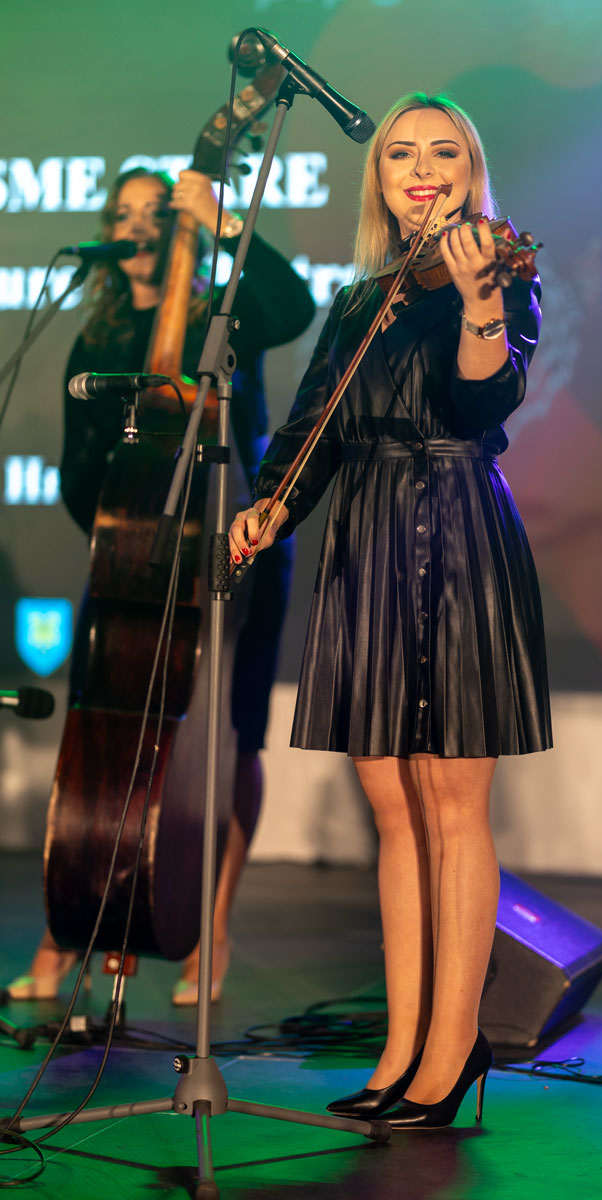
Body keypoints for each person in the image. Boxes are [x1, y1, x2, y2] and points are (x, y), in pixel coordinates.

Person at [228, 93, 552, 1129]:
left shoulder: (500, 274)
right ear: (379, 178)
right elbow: (312, 426)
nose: (420, 168)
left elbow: (481, 401)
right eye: (400, 153)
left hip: (456, 525)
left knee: (452, 806)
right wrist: (272, 506)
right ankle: (400, 1045)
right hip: (365, 538)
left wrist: (479, 299)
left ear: (469, 170)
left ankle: (452, 1050)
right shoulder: (358, 298)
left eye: (441, 152)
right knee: (392, 808)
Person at [7, 165, 315, 1006]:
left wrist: (219, 221)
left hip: (235, 554)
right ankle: (69, 929)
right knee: (100, 735)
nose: (140, 225)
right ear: (110, 231)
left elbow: (296, 308)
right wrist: (126, 521)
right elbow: (76, 468)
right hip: (131, 562)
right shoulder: (98, 340)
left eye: (157, 212)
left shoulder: (228, 314)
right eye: (126, 213)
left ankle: (210, 928)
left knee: (233, 735)